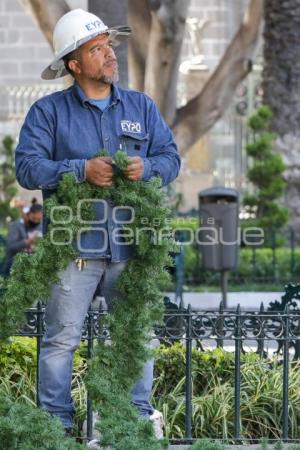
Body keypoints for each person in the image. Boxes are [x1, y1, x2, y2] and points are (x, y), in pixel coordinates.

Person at [15, 8, 181, 443]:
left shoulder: (141, 107)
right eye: (98, 48)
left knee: (136, 337)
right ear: (75, 64)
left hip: (130, 248)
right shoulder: (47, 112)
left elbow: (171, 159)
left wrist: (147, 168)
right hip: (73, 250)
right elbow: (28, 169)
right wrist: (79, 170)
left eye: (109, 45)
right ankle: (57, 427)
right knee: (60, 341)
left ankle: (134, 420)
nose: (110, 54)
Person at [2, 201, 43, 276]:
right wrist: (28, 242)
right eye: (34, 218)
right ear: (28, 215)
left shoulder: (40, 227)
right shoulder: (17, 226)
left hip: (33, 269)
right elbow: (11, 247)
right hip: (13, 268)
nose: (36, 221)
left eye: (39, 220)